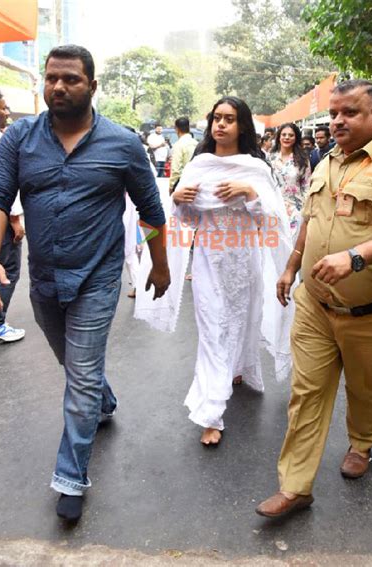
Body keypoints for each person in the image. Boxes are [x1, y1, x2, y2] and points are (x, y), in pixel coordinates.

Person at [0, 45, 170, 522]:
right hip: (45, 279)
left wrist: (161, 264)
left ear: (92, 86)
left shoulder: (123, 144)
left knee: (82, 373)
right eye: (51, 78)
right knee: (77, 367)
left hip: (97, 277)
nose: (58, 86)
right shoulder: (18, 139)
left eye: (70, 79)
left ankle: (71, 476)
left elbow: (152, 212)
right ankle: (103, 401)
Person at [256, 79, 372, 519]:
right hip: (316, 306)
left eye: (349, 112)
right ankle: (296, 487)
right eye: (334, 113)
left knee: (365, 389)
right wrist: (291, 265)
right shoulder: (324, 163)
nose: (337, 121)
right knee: (306, 393)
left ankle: (362, 441)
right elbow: (310, 219)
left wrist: (354, 258)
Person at [137, 96, 292, 447]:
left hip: (244, 263)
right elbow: (187, 224)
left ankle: (237, 368)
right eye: (217, 118)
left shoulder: (255, 170)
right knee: (212, 332)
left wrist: (250, 194)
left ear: (242, 125)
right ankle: (210, 413)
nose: (221, 125)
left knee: (243, 321)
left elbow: (270, 224)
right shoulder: (199, 166)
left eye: (229, 119)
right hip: (208, 263)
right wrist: (179, 200)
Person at [0, 90, 25, 345]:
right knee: (6, 269)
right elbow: (4, 185)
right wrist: (15, 219)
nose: (7, 112)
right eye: (3, 108)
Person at [269, 122, 310, 239]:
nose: (287, 138)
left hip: (295, 210)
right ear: (279, 137)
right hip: (273, 208)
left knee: (292, 244)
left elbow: (306, 185)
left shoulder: (302, 159)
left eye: (291, 135)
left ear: (296, 137)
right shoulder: (270, 158)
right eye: (284, 135)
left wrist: (305, 211)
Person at [169, 117, 198, 194]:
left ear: (177, 129)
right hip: (196, 183)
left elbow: (176, 169)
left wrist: (172, 186)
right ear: (188, 128)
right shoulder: (196, 144)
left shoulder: (178, 145)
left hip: (182, 184)